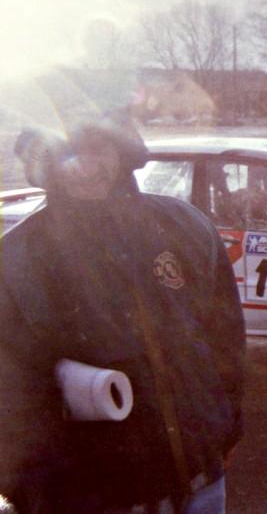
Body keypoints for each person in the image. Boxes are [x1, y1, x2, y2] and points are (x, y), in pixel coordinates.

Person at [0, 114, 246, 512]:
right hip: (96, 499)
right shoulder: (17, 259)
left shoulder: (185, 227)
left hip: (202, 484)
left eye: (98, 149)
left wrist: (228, 428)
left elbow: (226, 339)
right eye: (65, 153)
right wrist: (33, 490)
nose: (83, 166)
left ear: (123, 151)